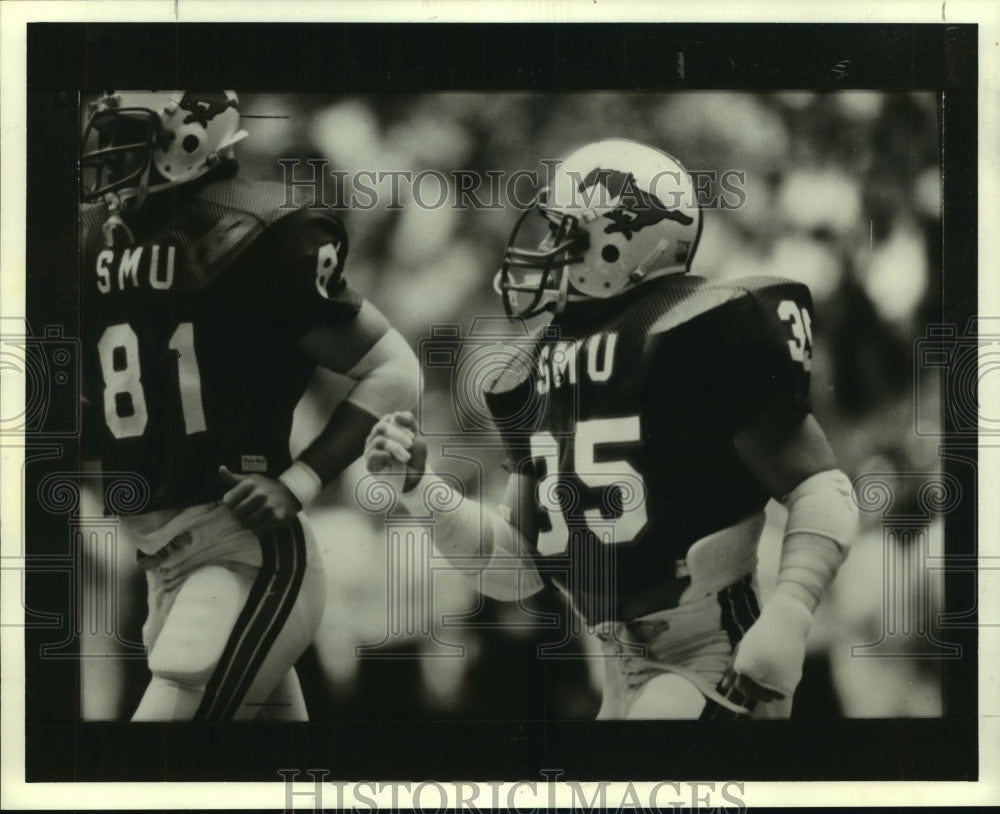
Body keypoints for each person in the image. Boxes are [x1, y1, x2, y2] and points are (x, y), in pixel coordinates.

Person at [365, 139, 857, 719]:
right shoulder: (532, 367)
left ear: (623, 241)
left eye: (565, 234)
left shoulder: (698, 328)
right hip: (617, 667)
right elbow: (519, 567)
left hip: (712, 654)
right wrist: (425, 492)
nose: (547, 249)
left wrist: (790, 611)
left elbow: (821, 485)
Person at [80, 91, 419, 721]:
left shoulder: (258, 231)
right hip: (157, 559)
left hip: (242, 553)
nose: (107, 154)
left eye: (128, 135)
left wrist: (298, 481)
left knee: (157, 776)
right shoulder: (96, 235)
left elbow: (393, 370)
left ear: (187, 137)